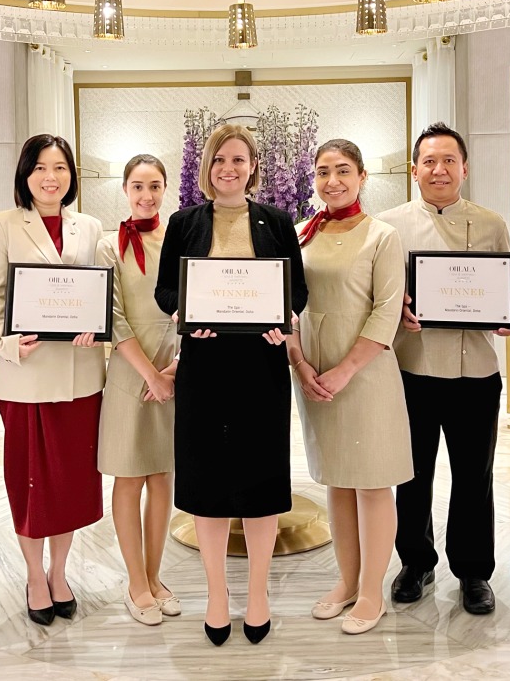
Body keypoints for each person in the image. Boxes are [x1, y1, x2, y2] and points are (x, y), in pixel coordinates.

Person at [154, 124, 308, 646]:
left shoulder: (278, 221)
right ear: (207, 168)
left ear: (253, 166)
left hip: (261, 365)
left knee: (262, 482)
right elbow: (165, 290)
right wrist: (183, 313)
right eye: (220, 160)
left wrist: (282, 318)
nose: (229, 169)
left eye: (239, 160)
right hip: (205, 363)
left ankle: (258, 594)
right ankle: (217, 595)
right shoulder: (184, 222)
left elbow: (299, 291)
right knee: (208, 483)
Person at [377, 121, 510, 615]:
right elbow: (378, 295)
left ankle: (474, 571)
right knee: (411, 475)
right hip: (411, 368)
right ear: (414, 170)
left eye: (449, 161)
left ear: (464, 168)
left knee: (473, 477)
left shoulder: (490, 223)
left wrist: (509, 315)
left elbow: (507, 289)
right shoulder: (388, 225)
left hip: (476, 372)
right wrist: (397, 311)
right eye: (429, 162)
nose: (439, 170)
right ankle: (415, 562)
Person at [0, 133, 105, 626]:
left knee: (71, 481)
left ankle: (60, 572)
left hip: (79, 375)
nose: (51, 178)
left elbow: (99, 293)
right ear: (25, 175)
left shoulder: (89, 226)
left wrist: (98, 325)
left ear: (71, 176)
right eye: (40, 168)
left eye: (61, 168)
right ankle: (34, 575)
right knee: (31, 482)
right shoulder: (3, 224)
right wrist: (4, 344)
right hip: (25, 373)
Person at [287, 139, 412, 635]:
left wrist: (344, 370)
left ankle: (371, 592)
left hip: (364, 375)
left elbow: (387, 310)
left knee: (372, 483)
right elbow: (287, 303)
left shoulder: (382, 235)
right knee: (337, 479)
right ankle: (345, 581)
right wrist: (299, 362)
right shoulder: (301, 234)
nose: (332, 181)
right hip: (313, 374)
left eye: (343, 171)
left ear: (362, 176)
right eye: (323, 172)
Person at [96, 154, 180, 626]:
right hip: (130, 373)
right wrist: (150, 374)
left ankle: (155, 575)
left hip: (174, 372)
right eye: (136, 186)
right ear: (124, 190)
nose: (145, 195)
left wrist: (173, 370)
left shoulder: (181, 239)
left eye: (154, 185)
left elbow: (194, 308)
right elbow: (113, 315)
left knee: (162, 477)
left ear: (165, 188)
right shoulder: (110, 246)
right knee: (128, 478)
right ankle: (135, 582)